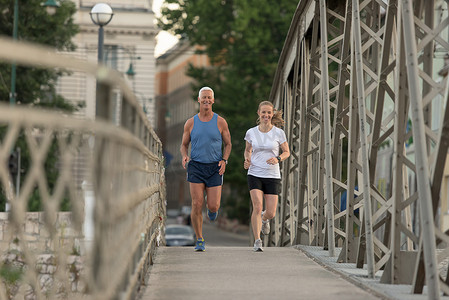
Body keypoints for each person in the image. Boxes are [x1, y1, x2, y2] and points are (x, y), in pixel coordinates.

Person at [180, 87, 232, 251]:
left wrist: (225, 160)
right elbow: (183, 144)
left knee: (213, 206)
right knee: (196, 203)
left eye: (209, 97)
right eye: (204, 97)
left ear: (213, 100)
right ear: (199, 100)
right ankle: (200, 239)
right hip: (195, 166)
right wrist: (184, 156)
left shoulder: (220, 121)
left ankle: (212, 211)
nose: (206, 100)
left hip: (214, 167)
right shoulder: (190, 122)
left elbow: (228, 144)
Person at [244, 101, 290, 252]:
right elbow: (248, 150)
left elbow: (286, 152)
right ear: (258, 113)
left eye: (269, 113)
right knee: (257, 206)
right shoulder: (251, 132)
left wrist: (278, 159)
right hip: (255, 172)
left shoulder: (278, 133)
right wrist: (247, 159)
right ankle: (258, 240)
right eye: (263, 112)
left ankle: (264, 219)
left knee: (270, 212)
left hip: (272, 174)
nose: (266, 115)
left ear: (272, 114)